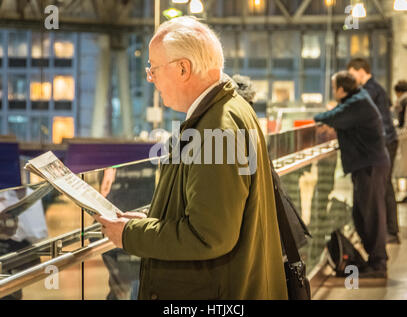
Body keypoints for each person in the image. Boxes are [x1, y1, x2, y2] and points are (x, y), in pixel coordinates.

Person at [95, 16, 288, 299]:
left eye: (154, 69)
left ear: (183, 68)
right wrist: (150, 220)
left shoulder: (216, 129)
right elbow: (208, 210)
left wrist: (130, 235)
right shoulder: (227, 111)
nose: (151, 78)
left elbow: (208, 236)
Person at [314, 71, 390, 278]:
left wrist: (327, 113)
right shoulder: (357, 100)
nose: (332, 91)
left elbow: (326, 117)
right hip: (367, 165)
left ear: (341, 89)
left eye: (333, 87)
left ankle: (378, 263)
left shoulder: (357, 103)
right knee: (361, 213)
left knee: (371, 215)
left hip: (370, 166)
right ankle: (374, 260)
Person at [347, 58, 400, 244]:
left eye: (352, 74)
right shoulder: (374, 88)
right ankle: (390, 230)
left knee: (382, 186)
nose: (352, 79)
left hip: (384, 143)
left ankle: (390, 231)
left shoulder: (370, 89)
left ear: (361, 71)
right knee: (385, 185)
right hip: (386, 141)